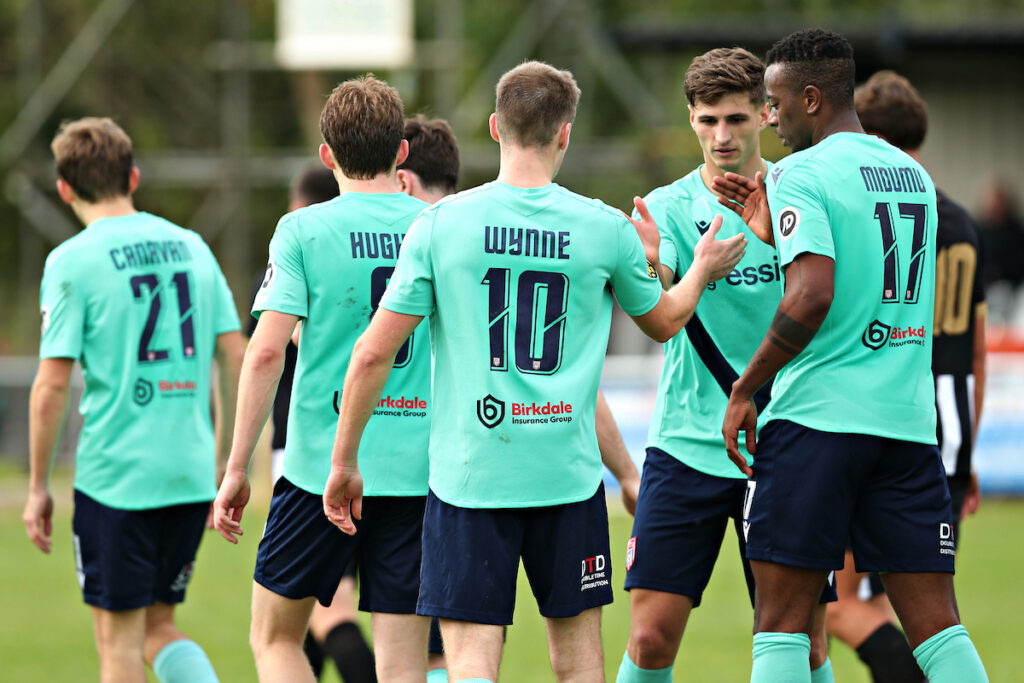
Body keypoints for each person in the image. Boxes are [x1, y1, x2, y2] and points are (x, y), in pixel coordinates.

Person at [324, 60, 746, 683]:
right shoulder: (605, 227)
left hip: (471, 479)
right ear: (565, 134)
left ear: (495, 127)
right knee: (578, 665)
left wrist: (342, 463)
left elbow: (371, 354)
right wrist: (700, 270)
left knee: (470, 664)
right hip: (568, 480)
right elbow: (663, 322)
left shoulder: (440, 224)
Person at [714, 28, 988, 682]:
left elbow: (811, 295)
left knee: (780, 623)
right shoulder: (914, 174)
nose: (770, 118)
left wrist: (745, 388)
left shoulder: (799, 173)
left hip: (818, 423)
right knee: (939, 626)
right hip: (906, 426)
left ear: (811, 98)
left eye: (775, 103)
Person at [616, 47, 833, 683]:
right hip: (686, 444)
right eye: (708, 120)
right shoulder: (667, 209)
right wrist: (657, 265)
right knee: (651, 637)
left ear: (767, 115)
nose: (722, 136)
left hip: (787, 443)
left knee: (808, 644)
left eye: (736, 119)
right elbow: (656, 318)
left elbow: (827, 301)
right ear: (690, 119)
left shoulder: (803, 195)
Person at [213, 75, 433, 682]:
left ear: (327, 156)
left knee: (276, 638)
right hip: (418, 472)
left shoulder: (303, 230)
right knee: (403, 664)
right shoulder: (438, 225)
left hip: (317, 471)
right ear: (402, 152)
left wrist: (236, 469)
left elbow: (264, 354)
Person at [23, 117, 244, 683]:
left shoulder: (72, 261)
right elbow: (236, 355)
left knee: (118, 645)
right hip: (189, 475)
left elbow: (51, 386)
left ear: (65, 188)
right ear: (134, 177)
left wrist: (37, 486)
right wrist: (225, 458)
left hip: (117, 478)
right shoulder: (192, 246)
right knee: (159, 627)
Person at [818, 68, 990, 683]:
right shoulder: (963, 222)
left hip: (890, 414)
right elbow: (975, 353)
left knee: (834, 602)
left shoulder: (883, 212)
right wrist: (967, 453)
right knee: (929, 608)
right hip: (952, 423)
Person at [246, 164, 377, 683]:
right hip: (402, 451)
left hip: (313, 457)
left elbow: (265, 351)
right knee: (323, 620)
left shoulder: (299, 248)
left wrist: (238, 464)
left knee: (312, 617)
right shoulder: (413, 235)